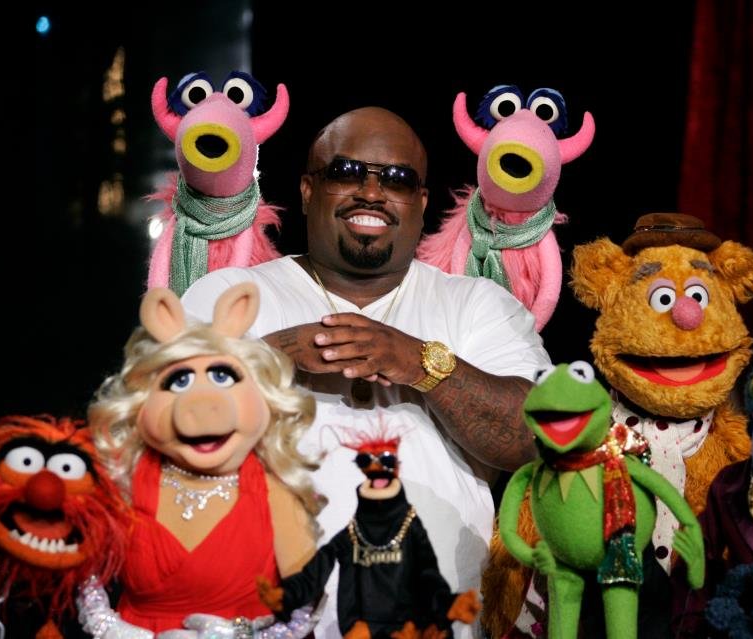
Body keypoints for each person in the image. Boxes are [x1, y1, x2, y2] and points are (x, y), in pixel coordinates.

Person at [182, 106, 552, 639]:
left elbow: (537, 437)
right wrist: (269, 358)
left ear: (421, 202)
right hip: (250, 621)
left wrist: (420, 363)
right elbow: (152, 420)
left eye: (397, 179)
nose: (372, 193)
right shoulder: (231, 296)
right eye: (346, 172)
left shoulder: (476, 305)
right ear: (308, 190)